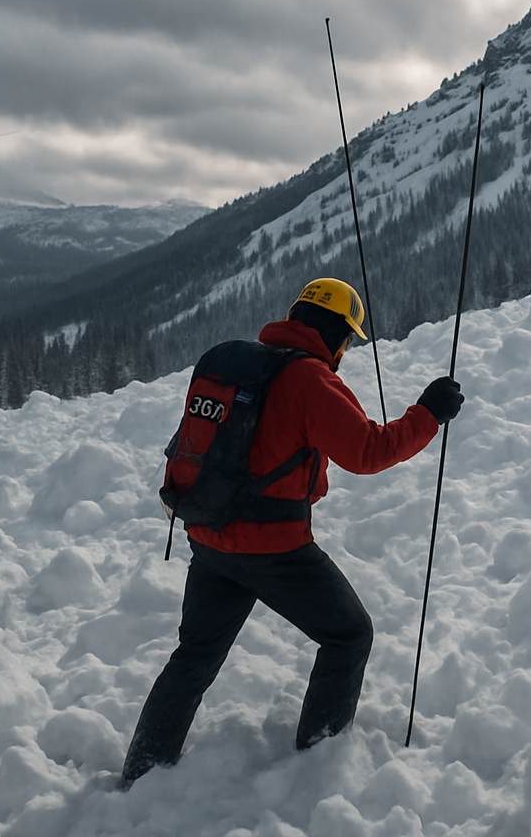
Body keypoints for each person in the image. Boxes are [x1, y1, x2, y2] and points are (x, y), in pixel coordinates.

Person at [121, 278, 464, 787]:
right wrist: (428, 415)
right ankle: (318, 761)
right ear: (339, 336)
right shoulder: (310, 380)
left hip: (209, 536)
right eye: (348, 341)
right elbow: (368, 452)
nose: (345, 352)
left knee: (193, 656)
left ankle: (141, 772)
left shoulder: (229, 362)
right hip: (275, 549)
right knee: (349, 636)